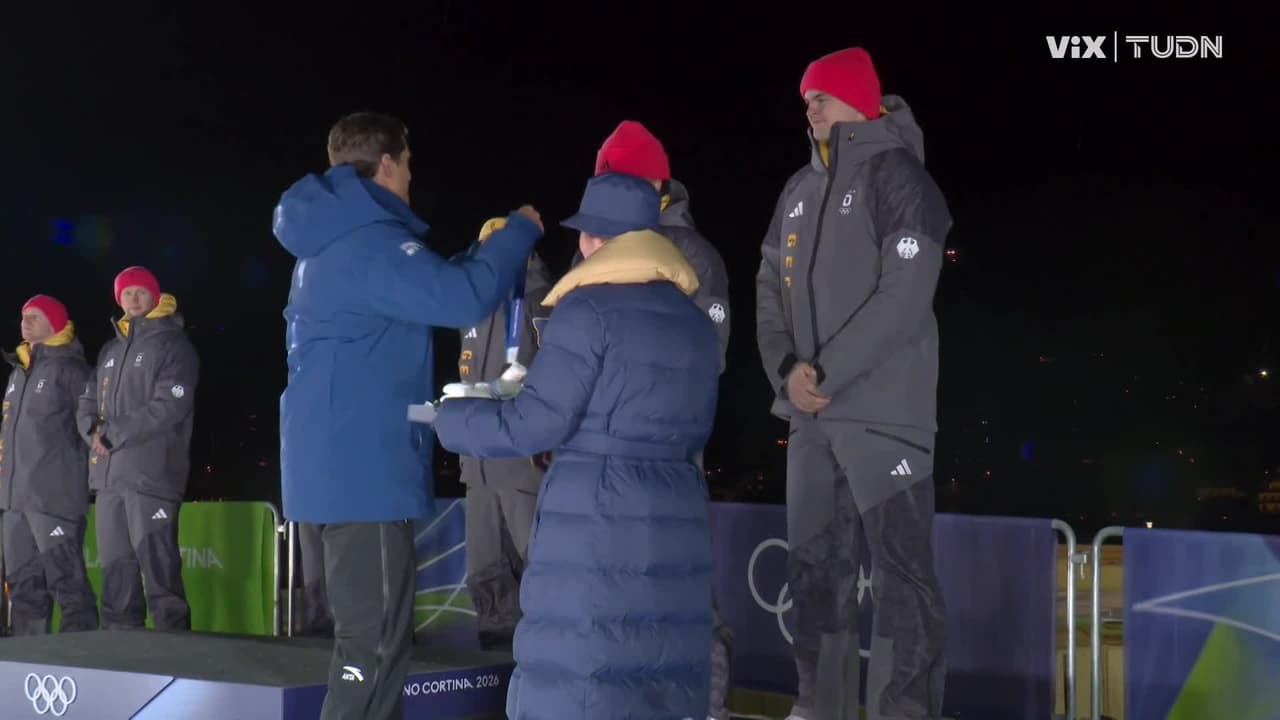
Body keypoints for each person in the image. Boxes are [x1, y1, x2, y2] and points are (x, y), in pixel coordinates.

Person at [273, 111, 542, 720]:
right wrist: (517, 234)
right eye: (411, 165)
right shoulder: (368, 242)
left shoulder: (339, 239)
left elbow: (432, 282)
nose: (412, 178)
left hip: (344, 467)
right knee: (370, 654)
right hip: (364, 473)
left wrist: (481, 248)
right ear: (388, 162)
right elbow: (462, 297)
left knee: (378, 651)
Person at [433, 172, 720, 720]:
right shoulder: (694, 322)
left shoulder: (586, 311)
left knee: (584, 673)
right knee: (655, 673)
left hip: (598, 513)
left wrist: (455, 420)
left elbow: (534, 423)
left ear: (594, 238)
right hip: (675, 511)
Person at [755, 47, 952, 720]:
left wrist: (828, 372)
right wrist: (788, 371)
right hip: (810, 419)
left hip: (883, 416)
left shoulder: (899, 178)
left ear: (861, 102)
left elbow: (905, 295)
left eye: (824, 96)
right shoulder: (796, 191)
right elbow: (766, 294)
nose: (810, 107)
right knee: (815, 575)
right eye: (806, 98)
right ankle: (820, 707)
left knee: (902, 579)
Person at [593, 119, 737, 720]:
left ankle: (708, 706)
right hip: (608, 458)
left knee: (679, 590)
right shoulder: (604, 247)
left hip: (669, 457)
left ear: (655, 186)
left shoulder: (694, 255)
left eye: (618, 181)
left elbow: (709, 358)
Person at [77, 266, 200, 632]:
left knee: (159, 569)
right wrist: (92, 432)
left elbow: (169, 405)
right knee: (116, 573)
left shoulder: (174, 346)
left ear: (155, 296)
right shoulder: (110, 350)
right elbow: (87, 400)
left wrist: (113, 432)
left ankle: (174, 652)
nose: (132, 299)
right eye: (126, 293)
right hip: (109, 478)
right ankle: (119, 652)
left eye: (140, 293)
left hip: (152, 476)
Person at [455, 217, 554, 652]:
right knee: (484, 568)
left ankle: (547, 662)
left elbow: (556, 376)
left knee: (540, 568)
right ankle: (493, 677)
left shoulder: (541, 298)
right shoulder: (471, 306)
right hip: (476, 465)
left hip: (521, 462)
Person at [1, 295, 99, 635]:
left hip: (55, 500)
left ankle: (80, 662)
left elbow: (93, 427)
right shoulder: (18, 372)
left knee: (67, 584)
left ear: (55, 323)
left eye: (35, 316)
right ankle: (30, 665)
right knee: (23, 586)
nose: (25, 322)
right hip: (15, 503)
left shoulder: (72, 370)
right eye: (23, 316)